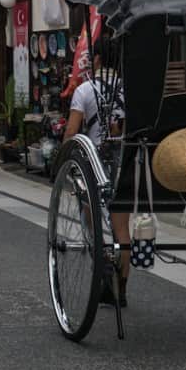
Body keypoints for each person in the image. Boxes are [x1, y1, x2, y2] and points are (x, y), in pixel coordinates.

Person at [63, 50, 129, 308]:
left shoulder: (85, 90)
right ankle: (121, 289)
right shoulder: (128, 89)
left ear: (99, 59)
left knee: (93, 221)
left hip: (95, 163)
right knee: (121, 227)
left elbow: (72, 131)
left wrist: (64, 158)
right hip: (123, 160)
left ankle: (104, 274)